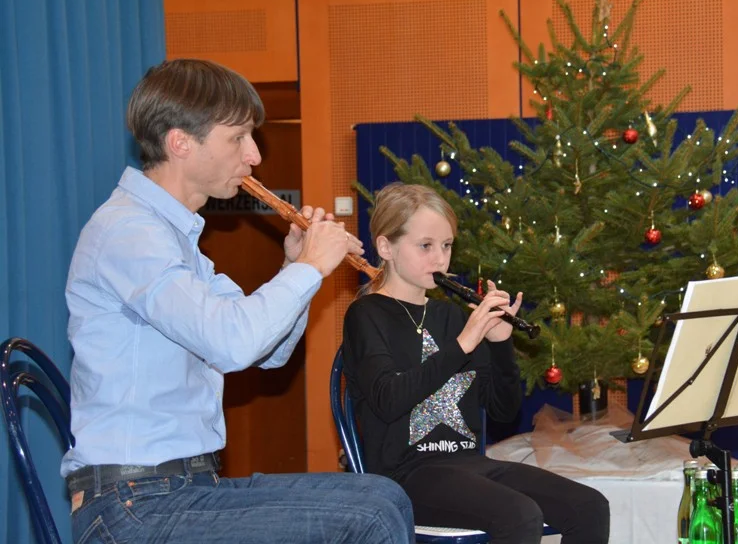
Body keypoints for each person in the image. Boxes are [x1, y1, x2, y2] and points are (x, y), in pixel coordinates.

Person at [62, 59, 415, 544]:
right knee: (371, 512)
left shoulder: (174, 238)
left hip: (177, 490)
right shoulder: (129, 232)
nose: (253, 156)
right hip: (132, 507)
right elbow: (233, 344)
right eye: (238, 138)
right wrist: (311, 267)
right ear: (180, 142)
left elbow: (267, 353)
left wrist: (294, 269)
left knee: (385, 495)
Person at [342, 182, 611, 544]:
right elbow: (388, 400)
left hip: (469, 464)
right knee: (519, 515)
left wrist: (500, 345)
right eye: (425, 246)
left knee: (590, 506)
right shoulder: (366, 315)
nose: (440, 259)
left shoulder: (450, 316)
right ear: (386, 246)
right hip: (404, 475)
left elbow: (504, 412)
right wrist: (463, 343)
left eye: (447, 245)